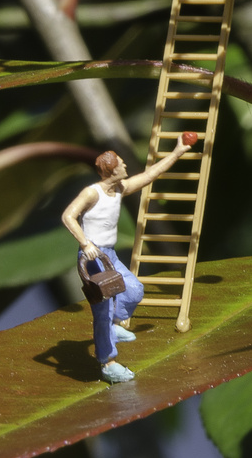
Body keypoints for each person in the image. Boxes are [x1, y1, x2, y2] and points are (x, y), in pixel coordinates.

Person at [61, 133, 198, 383]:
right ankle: (108, 363)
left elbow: (148, 176)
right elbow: (68, 216)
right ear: (111, 171)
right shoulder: (91, 193)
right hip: (93, 256)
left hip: (109, 253)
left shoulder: (119, 189)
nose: (125, 166)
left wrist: (177, 152)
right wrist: (85, 242)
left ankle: (113, 325)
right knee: (101, 310)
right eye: (121, 164)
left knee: (134, 290)